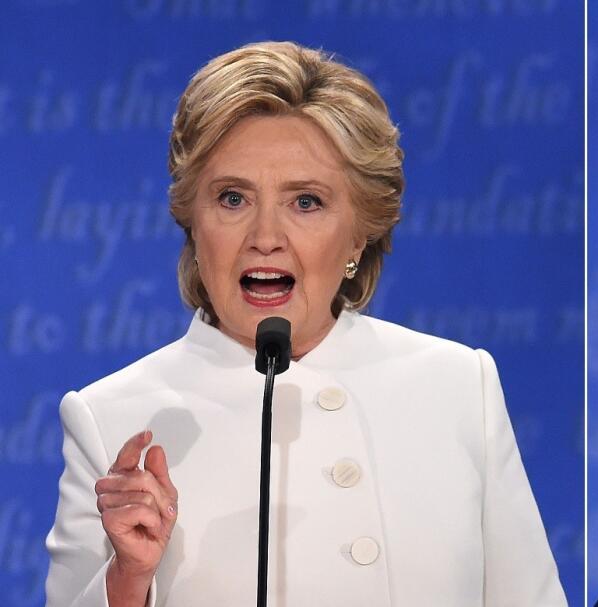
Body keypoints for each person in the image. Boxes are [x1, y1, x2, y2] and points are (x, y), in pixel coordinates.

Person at [44, 41, 567, 607]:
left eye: (307, 202)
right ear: (194, 222)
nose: (265, 236)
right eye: (233, 197)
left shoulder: (460, 385)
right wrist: (128, 581)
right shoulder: (112, 418)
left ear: (359, 234)